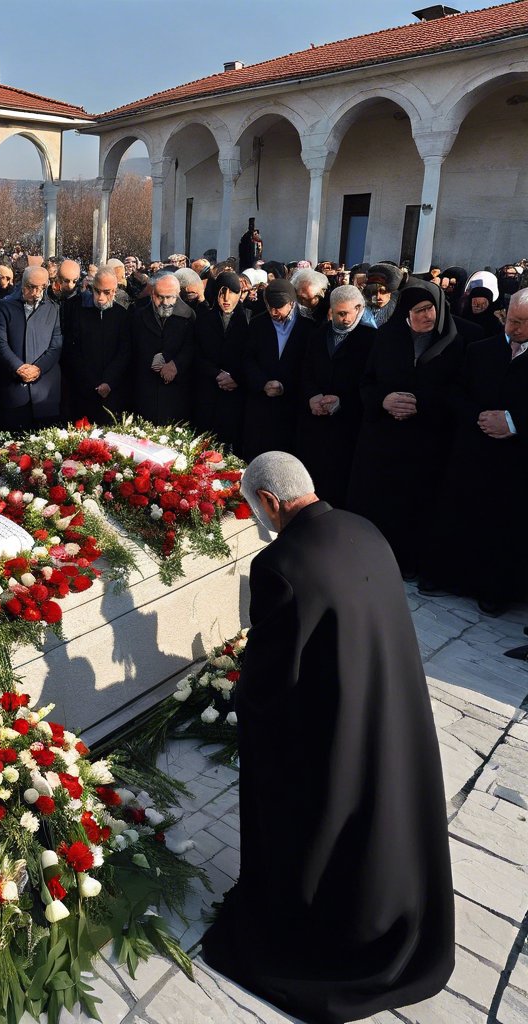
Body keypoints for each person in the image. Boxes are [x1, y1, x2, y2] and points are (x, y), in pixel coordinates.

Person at [202, 451, 454, 1024]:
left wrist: (242, 696)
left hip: (334, 726)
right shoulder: (363, 528)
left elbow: (270, 683)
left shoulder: (281, 564)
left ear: (269, 501)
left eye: (254, 508)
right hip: (389, 708)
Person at [420, 289, 528, 614]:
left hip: (515, 463)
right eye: (511, 320)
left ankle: (493, 591)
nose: (515, 328)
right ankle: (447, 577)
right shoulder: (481, 350)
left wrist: (513, 423)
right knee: (458, 516)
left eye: (523, 323)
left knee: (503, 528)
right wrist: (476, 416)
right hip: (472, 452)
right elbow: (454, 392)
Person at [348, 280, 466, 578]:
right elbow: (366, 382)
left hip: (425, 444)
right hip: (383, 441)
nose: (427, 316)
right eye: (419, 310)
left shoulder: (452, 343)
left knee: (415, 508)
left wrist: (419, 404)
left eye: (431, 309)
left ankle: (409, 563)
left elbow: (459, 392)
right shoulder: (388, 337)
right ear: (405, 312)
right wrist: (384, 400)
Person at [295, 284, 376, 508]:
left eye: (346, 313)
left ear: (359, 308)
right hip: (315, 424)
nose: (342, 319)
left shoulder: (371, 340)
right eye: (337, 314)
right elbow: (306, 371)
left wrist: (343, 401)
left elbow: (370, 383)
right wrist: (312, 396)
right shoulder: (319, 334)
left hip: (347, 429)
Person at [241, 279, 315, 460]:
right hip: (261, 404)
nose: (274, 312)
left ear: (291, 303)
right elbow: (247, 359)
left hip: (291, 405)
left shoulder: (308, 326)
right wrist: (262, 383)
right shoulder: (258, 323)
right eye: (270, 307)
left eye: (279, 307)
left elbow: (309, 366)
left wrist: (285, 386)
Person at [0, 265, 64, 431]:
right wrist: (18, 367)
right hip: (13, 388)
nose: (36, 293)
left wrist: (38, 368)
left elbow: (56, 345)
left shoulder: (54, 308)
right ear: (22, 284)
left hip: (44, 390)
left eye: (41, 288)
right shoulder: (3, 306)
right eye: (31, 287)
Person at [62, 268, 130, 424]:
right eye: (97, 291)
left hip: (112, 391)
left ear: (114, 291)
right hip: (83, 389)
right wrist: (92, 382)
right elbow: (72, 350)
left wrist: (109, 381)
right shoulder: (77, 310)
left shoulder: (122, 314)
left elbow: (124, 352)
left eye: (106, 292)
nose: (100, 298)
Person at [191, 270, 249, 451]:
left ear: (240, 294)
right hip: (208, 390)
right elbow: (196, 353)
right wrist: (217, 374)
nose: (226, 298)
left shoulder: (249, 319)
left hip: (236, 392)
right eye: (221, 292)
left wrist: (236, 377)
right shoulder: (204, 319)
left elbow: (251, 356)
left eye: (232, 292)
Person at [127, 272, 195, 425]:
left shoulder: (189, 316)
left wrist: (175, 364)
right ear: (152, 294)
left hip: (176, 395)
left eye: (170, 297)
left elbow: (192, 347)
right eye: (160, 297)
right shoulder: (138, 316)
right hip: (145, 393)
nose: (165, 302)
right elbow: (132, 350)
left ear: (177, 295)